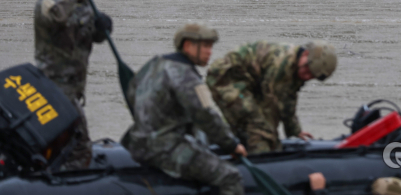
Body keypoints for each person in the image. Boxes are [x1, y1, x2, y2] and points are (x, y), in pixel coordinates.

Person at [123, 24, 247, 195]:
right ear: (188, 45)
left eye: (210, 46)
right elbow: (206, 116)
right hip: (165, 149)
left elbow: (132, 93)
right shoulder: (187, 76)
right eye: (205, 46)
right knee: (230, 177)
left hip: (136, 143)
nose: (209, 52)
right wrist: (231, 145)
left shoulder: (153, 65)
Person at [34, 0, 112, 170]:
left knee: (70, 147)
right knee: (80, 149)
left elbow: (86, 33)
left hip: (72, 92)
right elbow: (59, 17)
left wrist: (101, 28)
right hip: (54, 90)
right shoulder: (49, 2)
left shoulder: (79, 4)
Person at [206, 41, 338, 154]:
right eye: (307, 70)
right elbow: (270, 106)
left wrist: (294, 130)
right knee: (257, 122)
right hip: (226, 80)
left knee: (249, 118)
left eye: (312, 76)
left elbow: (288, 100)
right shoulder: (282, 65)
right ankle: (258, 158)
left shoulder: (297, 69)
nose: (307, 76)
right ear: (305, 55)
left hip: (249, 84)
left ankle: (222, 141)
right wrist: (271, 142)